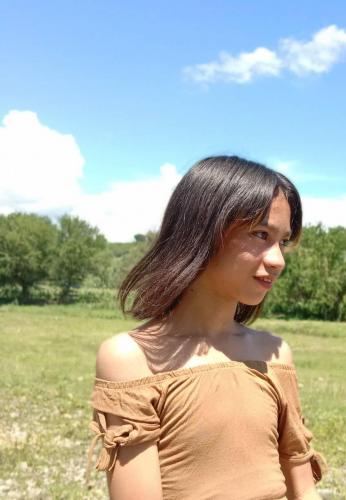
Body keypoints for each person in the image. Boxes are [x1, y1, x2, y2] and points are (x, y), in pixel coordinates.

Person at [86, 156, 327, 499]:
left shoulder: (274, 355)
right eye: (260, 235)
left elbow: (304, 490)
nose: (278, 260)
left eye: (283, 242)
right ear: (203, 231)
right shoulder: (132, 359)